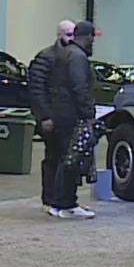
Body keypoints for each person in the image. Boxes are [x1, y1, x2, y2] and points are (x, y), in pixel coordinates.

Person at [28, 20, 96, 219]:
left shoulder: (61, 56)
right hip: (66, 116)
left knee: (61, 159)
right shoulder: (70, 57)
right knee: (64, 160)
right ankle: (61, 202)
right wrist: (87, 113)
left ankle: (57, 202)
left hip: (59, 114)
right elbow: (75, 88)